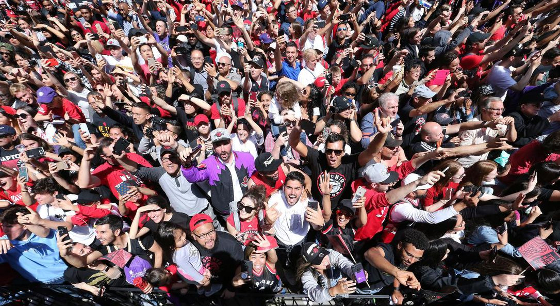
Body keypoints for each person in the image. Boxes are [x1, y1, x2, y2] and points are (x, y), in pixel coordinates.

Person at [182, 128, 256, 221]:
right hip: (226, 212)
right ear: (213, 147)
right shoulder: (209, 164)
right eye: (218, 145)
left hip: (248, 208)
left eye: (225, 143)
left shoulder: (246, 157)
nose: (222, 149)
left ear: (231, 142)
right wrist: (187, 164)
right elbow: (193, 177)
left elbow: (255, 178)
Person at [0, 206, 68, 284]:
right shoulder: (4, 242)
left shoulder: (48, 233)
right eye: (3, 226)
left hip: (69, 277)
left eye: (9, 226)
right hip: (41, 286)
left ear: (25, 225)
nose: (5, 230)